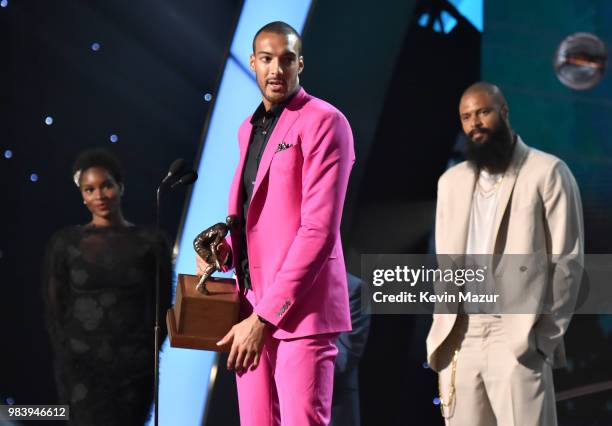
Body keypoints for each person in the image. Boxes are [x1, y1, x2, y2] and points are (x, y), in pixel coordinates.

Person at [197, 21, 355, 425]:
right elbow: (259, 218)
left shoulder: (325, 121)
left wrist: (264, 318)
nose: (276, 69)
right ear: (253, 63)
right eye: (266, 59)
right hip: (251, 305)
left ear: (300, 64)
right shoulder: (246, 129)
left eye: (286, 60)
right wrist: (224, 253)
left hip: (299, 313)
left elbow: (318, 231)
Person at [426, 82, 584, 425]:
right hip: (460, 335)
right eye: (466, 117)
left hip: (517, 336)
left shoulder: (548, 172)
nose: (475, 123)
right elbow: (445, 266)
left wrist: (542, 338)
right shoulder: (450, 182)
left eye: (483, 112)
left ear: (504, 112)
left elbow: (568, 262)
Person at [44, 148, 172, 425]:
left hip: (134, 371)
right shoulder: (65, 244)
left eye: (106, 186)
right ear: (82, 195)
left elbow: (163, 307)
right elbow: (55, 312)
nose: (99, 196)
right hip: (81, 371)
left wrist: (146, 356)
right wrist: (67, 361)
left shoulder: (151, 242)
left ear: (120, 186)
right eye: (89, 189)